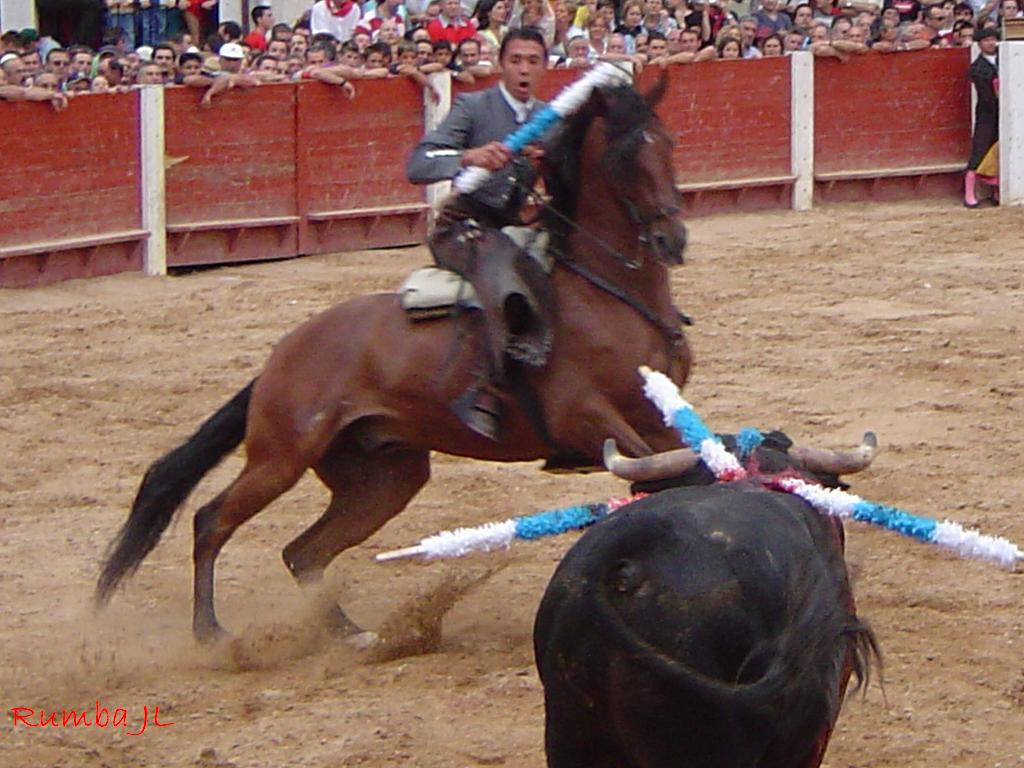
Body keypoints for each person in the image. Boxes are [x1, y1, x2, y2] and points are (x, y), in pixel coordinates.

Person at [406, 27, 551, 441]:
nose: (524, 69)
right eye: (516, 60)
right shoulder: (473, 107)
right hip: (462, 226)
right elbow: (419, 163)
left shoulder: (548, 118)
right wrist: (470, 156)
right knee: (505, 275)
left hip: (513, 226)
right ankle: (487, 390)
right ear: (501, 65)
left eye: (533, 61)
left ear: (544, 67)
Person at [965, 26, 999, 208]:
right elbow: (986, 97)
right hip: (987, 113)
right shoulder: (977, 68)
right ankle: (969, 193)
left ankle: (997, 191)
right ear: (979, 44)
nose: (991, 43)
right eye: (986, 40)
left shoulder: (1004, 59)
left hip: (1005, 112)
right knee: (980, 149)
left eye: (993, 39)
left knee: (1000, 150)